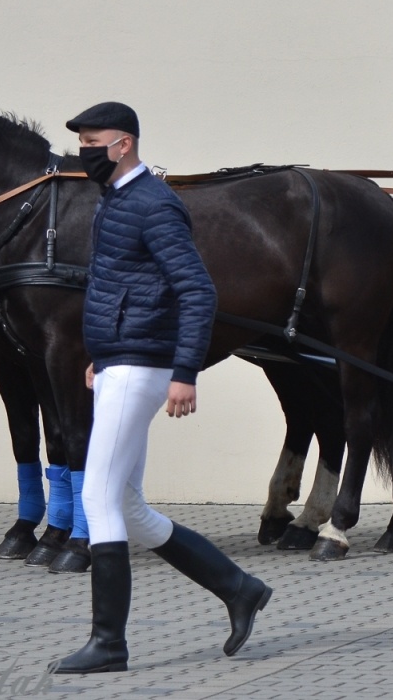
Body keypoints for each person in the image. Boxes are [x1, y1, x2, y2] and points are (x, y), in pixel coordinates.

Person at [53, 101, 272, 675]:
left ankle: (109, 644)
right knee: (129, 507)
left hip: (143, 369)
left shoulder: (153, 204)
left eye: (91, 142)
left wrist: (185, 373)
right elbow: (117, 284)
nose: (83, 152)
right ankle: (239, 588)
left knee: (97, 498)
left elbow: (198, 292)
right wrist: (99, 356)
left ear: (122, 145)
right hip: (119, 364)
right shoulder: (118, 201)